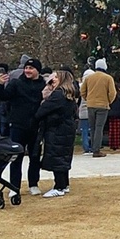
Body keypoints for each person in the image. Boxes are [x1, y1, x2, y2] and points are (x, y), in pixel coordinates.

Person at [4, 58, 46, 195]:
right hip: (18, 125)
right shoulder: (16, 83)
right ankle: (14, 187)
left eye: (31, 68)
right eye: (26, 68)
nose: (27, 70)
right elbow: (3, 96)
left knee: (35, 157)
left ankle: (33, 184)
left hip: (35, 126)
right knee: (16, 156)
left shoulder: (43, 85)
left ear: (37, 71)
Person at [35, 69, 79, 198]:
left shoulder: (58, 95)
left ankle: (59, 186)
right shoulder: (69, 94)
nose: (50, 81)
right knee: (63, 155)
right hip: (66, 129)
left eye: (54, 78)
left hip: (57, 129)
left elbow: (41, 111)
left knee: (56, 155)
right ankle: (64, 184)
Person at [80, 59, 117, 157]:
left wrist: (88, 99)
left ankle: (93, 148)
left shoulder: (89, 78)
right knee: (99, 128)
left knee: (92, 128)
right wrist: (108, 101)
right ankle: (97, 150)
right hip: (102, 106)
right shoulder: (108, 78)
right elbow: (112, 93)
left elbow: (82, 91)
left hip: (90, 105)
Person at [77, 62, 95, 153]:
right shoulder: (94, 86)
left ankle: (86, 147)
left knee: (84, 130)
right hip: (92, 109)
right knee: (92, 129)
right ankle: (92, 146)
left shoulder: (81, 86)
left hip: (83, 111)